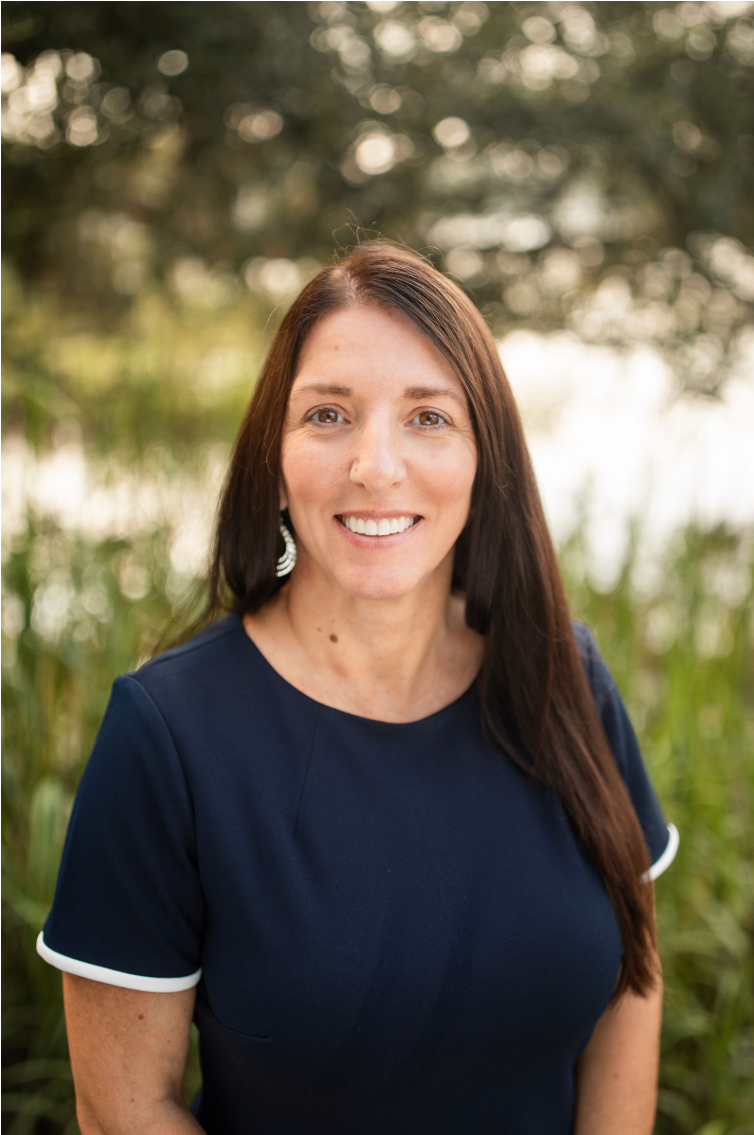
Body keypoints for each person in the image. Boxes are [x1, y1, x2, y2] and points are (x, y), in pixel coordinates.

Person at [37, 241, 678, 1135]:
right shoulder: (170, 736)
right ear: (276, 454)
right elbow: (122, 1108)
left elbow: (631, 987)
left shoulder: (563, 677)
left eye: (428, 418)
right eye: (329, 414)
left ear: (484, 455)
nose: (376, 466)